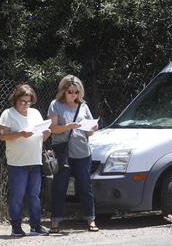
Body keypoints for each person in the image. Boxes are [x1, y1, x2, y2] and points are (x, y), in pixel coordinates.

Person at [0, 83, 51, 237]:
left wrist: (47, 134)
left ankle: (36, 226)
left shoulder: (35, 113)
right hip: (17, 163)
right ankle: (16, 227)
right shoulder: (8, 114)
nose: (26, 105)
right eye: (23, 101)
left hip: (35, 160)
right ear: (16, 100)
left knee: (34, 195)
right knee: (17, 196)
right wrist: (20, 134)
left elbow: (41, 137)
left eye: (29, 102)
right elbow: (2, 136)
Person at [47, 75, 99, 232]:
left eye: (76, 92)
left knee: (85, 187)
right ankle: (55, 222)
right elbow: (52, 129)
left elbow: (89, 132)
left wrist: (92, 128)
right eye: (70, 91)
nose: (73, 95)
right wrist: (68, 126)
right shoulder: (55, 105)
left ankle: (91, 220)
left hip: (83, 152)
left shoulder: (83, 106)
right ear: (63, 91)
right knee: (59, 187)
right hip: (63, 153)